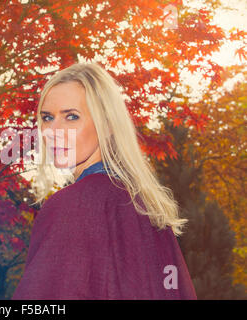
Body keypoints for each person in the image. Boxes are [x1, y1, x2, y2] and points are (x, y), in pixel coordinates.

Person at [11, 62, 197, 300]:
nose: (53, 131)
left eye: (71, 117)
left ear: (108, 125)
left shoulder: (72, 206)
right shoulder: (148, 208)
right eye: (47, 117)